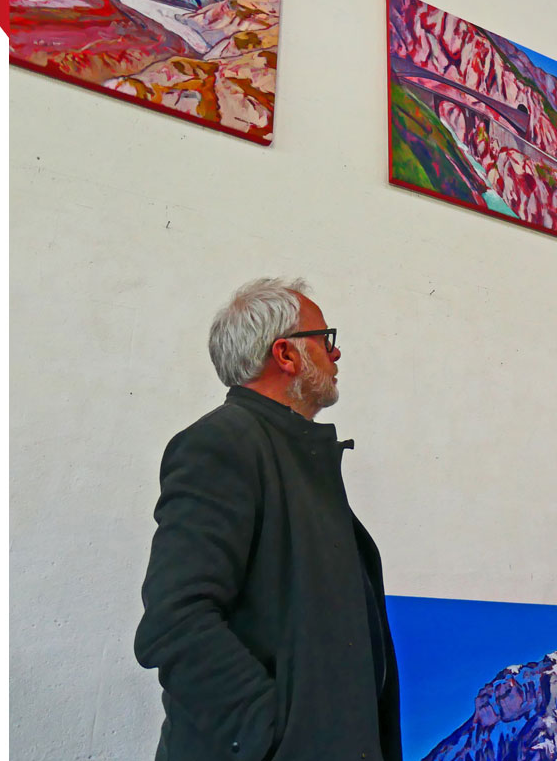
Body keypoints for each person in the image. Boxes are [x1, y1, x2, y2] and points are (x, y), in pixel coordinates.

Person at [134, 278, 401, 761]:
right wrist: (273, 733)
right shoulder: (222, 445)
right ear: (286, 354)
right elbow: (175, 620)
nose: (336, 354)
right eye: (325, 339)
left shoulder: (297, 455)